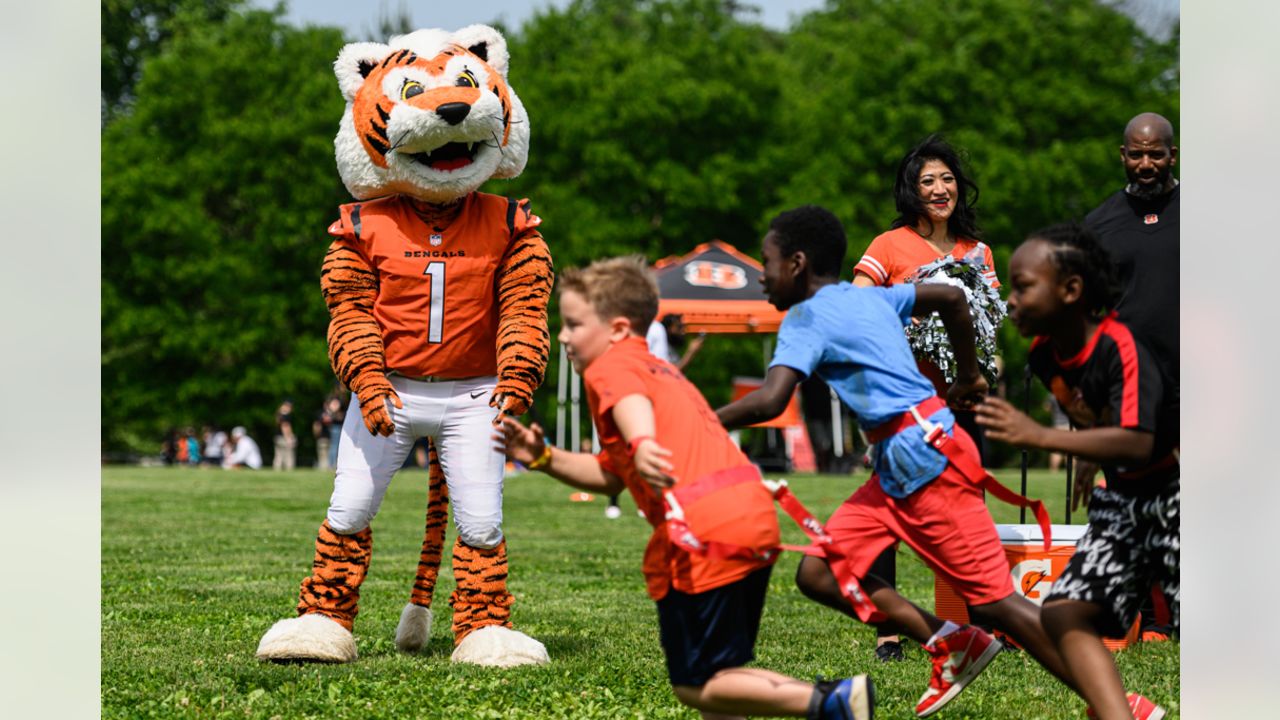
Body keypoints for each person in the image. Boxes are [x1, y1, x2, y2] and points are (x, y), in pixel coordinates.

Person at [717, 205, 1078, 718]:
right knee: (820, 573)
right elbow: (952, 299)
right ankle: (951, 641)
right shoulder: (869, 299)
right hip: (899, 464)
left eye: (766, 262)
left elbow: (771, 401)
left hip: (927, 460)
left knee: (1000, 604)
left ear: (796, 264)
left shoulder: (804, 317)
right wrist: (969, 375)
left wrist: (701, 419)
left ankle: (1119, 705)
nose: (760, 274)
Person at [496, 256, 875, 720]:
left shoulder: (610, 368)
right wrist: (544, 458)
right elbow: (613, 475)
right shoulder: (662, 370)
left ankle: (829, 703)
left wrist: (642, 441)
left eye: (573, 324)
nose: (563, 336)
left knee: (695, 685)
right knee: (723, 676)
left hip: (706, 525)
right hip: (752, 514)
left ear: (617, 329)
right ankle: (834, 700)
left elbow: (632, 409)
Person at [974, 223, 1174, 720]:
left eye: (1022, 287)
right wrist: (1087, 455)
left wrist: (1042, 437)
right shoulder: (1045, 355)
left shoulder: (1120, 345)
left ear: (1071, 290)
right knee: (1065, 613)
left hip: (1173, 499)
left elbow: (1138, 438)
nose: (1011, 301)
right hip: (1124, 503)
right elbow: (1093, 414)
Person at [849, 135, 1002, 662]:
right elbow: (861, 307)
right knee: (887, 511)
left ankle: (982, 619)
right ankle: (888, 630)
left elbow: (988, 324)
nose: (940, 190)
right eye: (927, 181)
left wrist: (982, 368)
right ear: (910, 192)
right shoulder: (888, 246)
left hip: (964, 401)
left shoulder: (978, 252)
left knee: (970, 508)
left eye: (947, 179)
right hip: (905, 402)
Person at [1084, 112, 1179, 642]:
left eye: (1157, 153)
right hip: (1132, 389)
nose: (1146, 164)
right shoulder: (1099, 225)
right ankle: (1154, 619)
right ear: (1123, 155)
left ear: (1173, 154)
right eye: (1136, 154)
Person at [273, 399, 297, 471]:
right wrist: (288, 438)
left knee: (278, 455)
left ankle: (276, 469)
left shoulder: (279, 415)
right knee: (288, 455)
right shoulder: (285, 416)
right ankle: (289, 469)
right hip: (283, 437)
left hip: (277, 437)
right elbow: (285, 427)